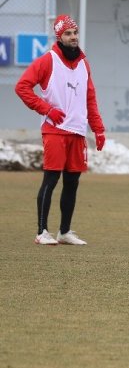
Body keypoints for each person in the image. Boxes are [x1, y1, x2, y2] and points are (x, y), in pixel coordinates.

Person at [15, 14, 106, 246]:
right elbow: (22, 87)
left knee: (72, 182)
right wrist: (46, 110)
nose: (73, 37)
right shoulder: (48, 60)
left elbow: (90, 98)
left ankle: (64, 231)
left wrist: (98, 129)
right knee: (51, 179)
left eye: (75, 32)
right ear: (59, 36)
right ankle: (42, 231)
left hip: (77, 131)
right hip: (55, 130)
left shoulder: (84, 63)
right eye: (68, 33)